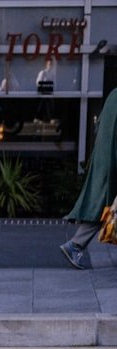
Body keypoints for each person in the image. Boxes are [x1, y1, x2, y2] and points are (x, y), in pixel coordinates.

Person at [60, 88, 117, 270]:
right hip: (111, 161)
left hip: (104, 159)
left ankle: (75, 245)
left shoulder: (114, 95)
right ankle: (75, 245)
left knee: (101, 204)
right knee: (103, 205)